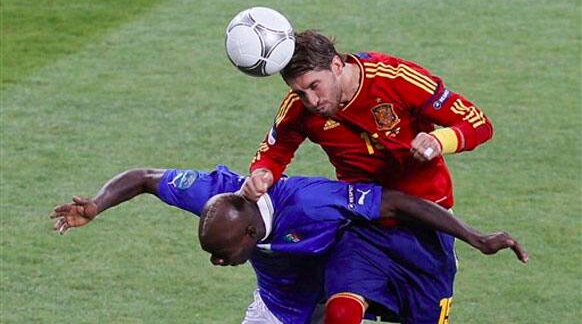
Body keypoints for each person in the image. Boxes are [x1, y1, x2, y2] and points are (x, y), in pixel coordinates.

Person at [51, 165, 527, 324]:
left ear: (253, 235)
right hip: (278, 306)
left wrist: (475, 237)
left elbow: (399, 204)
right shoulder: (216, 197)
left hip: (337, 294)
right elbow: (144, 178)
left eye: (226, 253)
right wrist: (96, 205)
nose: (219, 261)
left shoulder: (314, 204)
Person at [240, 30, 497, 322]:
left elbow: (478, 122)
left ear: (336, 66)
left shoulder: (396, 78)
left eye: (315, 86)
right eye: (300, 92)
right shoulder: (298, 106)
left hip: (427, 223)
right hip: (365, 222)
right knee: (341, 313)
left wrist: (440, 141)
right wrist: (263, 173)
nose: (311, 100)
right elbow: (274, 151)